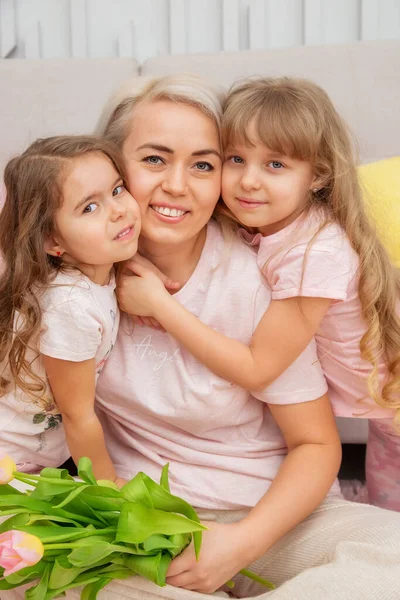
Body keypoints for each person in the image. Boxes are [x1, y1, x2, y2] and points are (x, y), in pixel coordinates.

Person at [91, 74, 400, 600]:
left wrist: (238, 545)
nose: (177, 186)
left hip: (270, 518)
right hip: (146, 527)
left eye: (204, 165)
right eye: (153, 160)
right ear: (111, 169)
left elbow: (312, 438)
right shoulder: (69, 278)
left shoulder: (269, 273)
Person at [0, 135, 140, 483]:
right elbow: (79, 417)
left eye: (118, 189)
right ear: (52, 241)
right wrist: (110, 492)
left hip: (42, 459)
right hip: (12, 464)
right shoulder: (70, 307)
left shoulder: (97, 269)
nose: (119, 209)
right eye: (89, 207)